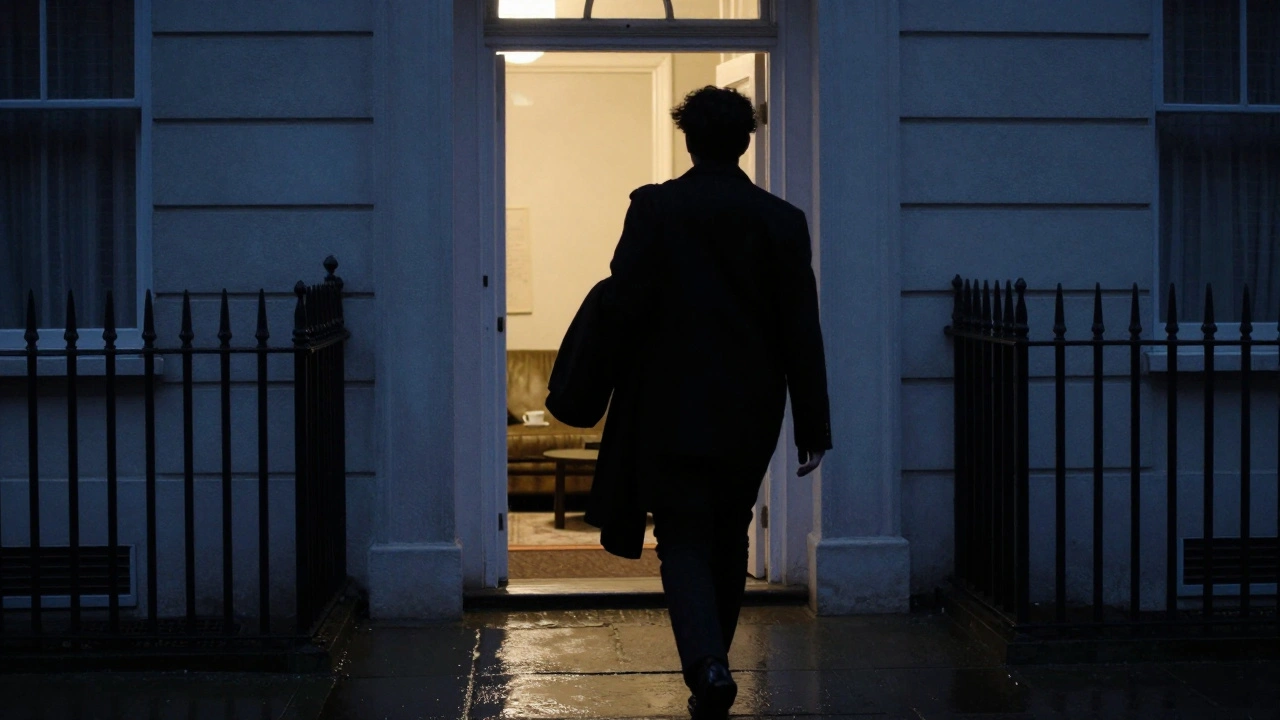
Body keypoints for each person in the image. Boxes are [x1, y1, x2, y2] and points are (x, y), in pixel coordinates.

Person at [596, 85, 832, 720]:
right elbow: (799, 328)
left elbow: (624, 300)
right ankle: (714, 663)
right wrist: (814, 423)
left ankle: (707, 663)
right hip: (751, 407)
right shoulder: (782, 220)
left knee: (680, 537)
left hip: (667, 403)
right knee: (728, 534)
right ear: (746, 141)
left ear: (689, 140)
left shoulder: (654, 209)